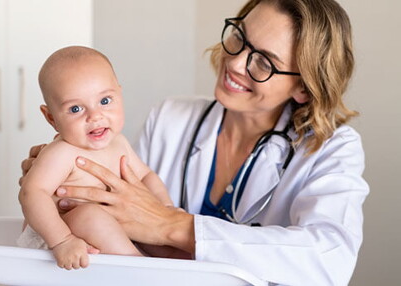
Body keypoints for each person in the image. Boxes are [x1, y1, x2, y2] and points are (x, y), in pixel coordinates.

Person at [21, 0, 370, 285]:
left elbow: (331, 260)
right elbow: (117, 210)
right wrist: (64, 182)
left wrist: (171, 225)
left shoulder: (332, 148)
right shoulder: (171, 118)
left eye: (263, 62)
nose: (233, 62)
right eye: (239, 38)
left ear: (305, 88)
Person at [17, 46, 173, 270]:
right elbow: (31, 193)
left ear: (119, 93)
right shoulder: (62, 152)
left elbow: (146, 176)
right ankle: (140, 267)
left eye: (105, 101)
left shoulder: (119, 143)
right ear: (51, 117)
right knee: (90, 215)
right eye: (76, 108)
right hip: (56, 237)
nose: (95, 116)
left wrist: (166, 209)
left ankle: (169, 258)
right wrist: (62, 240)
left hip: (108, 234)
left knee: (152, 231)